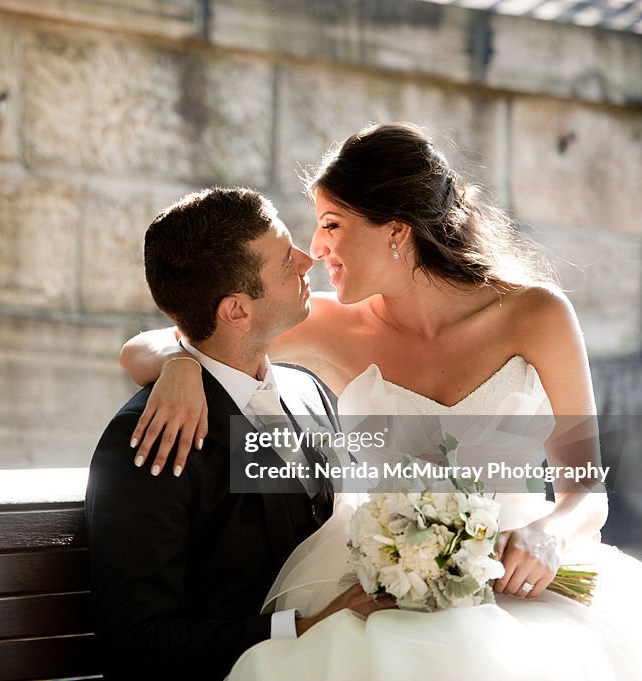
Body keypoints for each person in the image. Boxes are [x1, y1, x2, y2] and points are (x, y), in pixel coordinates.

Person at [121, 123, 642, 680]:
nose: (314, 249)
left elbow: (587, 489)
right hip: (388, 586)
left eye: (331, 225)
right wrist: (180, 363)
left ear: (396, 230)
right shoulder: (324, 323)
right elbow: (146, 345)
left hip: (522, 579)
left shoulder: (537, 314)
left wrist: (548, 534)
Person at [85, 187, 393, 681]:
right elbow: (138, 645)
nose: (305, 260)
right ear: (236, 311)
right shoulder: (145, 441)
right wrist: (307, 626)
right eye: (283, 259)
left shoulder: (309, 391)